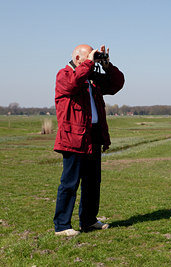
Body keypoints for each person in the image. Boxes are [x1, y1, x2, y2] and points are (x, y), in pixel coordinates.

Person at [53, 44, 125, 236]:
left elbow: (116, 84)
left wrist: (107, 65)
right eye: (88, 58)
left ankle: (89, 220)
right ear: (78, 58)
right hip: (73, 138)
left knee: (93, 182)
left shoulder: (92, 79)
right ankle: (62, 226)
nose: (92, 64)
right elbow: (72, 84)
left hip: (92, 135)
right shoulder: (64, 75)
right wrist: (88, 65)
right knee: (70, 183)